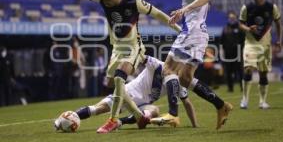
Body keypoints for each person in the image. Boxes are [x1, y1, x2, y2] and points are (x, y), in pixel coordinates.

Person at [53, 0, 181, 133]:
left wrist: (180, 31)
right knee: (113, 84)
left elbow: (158, 14)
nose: (105, 3)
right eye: (103, 0)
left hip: (134, 48)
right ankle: (138, 116)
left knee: (120, 77)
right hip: (117, 49)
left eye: (108, 0)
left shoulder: (134, 2)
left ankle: (112, 120)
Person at [150, 0, 233, 130]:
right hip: (199, 34)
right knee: (185, 78)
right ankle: (221, 105)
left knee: (168, 69)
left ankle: (173, 114)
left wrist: (184, 10)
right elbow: (205, 2)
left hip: (191, 32)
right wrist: (191, 12)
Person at [54, 56, 198, 131]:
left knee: (154, 110)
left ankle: (120, 122)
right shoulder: (157, 64)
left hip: (144, 104)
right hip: (127, 92)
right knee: (99, 109)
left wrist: (195, 126)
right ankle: (63, 121)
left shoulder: (177, 83)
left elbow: (187, 103)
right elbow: (141, 56)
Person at [239, 0, 283, 109]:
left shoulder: (272, 7)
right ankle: (244, 100)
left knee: (263, 73)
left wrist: (279, 41)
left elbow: (279, 24)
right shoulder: (246, 7)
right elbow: (240, 24)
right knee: (248, 69)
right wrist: (248, 28)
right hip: (251, 43)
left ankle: (262, 102)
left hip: (265, 45)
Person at [220, 11, 244, 92]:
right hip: (228, 54)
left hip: (238, 53)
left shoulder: (240, 28)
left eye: (233, 18)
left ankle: (242, 87)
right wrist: (222, 51)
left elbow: (243, 40)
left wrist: (241, 49)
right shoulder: (225, 28)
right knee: (229, 71)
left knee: (240, 71)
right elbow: (222, 41)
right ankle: (230, 88)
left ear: (236, 18)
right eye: (230, 18)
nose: (231, 19)